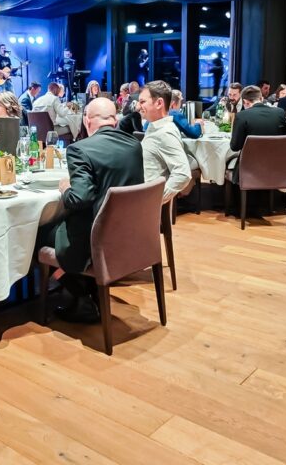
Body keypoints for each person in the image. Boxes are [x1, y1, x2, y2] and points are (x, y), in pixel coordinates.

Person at [36, 97, 143, 323]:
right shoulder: (134, 146)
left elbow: (79, 199)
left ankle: (80, 292)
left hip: (93, 239)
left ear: (87, 120)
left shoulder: (79, 149)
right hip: (128, 234)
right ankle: (87, 286)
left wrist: (65, 188)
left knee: (36, 234)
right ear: (115, 121)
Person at [137, 81, 191, 204]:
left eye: (142, 102)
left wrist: (155, 201)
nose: (139, 106)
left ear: (159, 103)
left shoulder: (165, 133)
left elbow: (183, 174)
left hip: (146, 204)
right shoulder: (155, 127)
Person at [229, 85, 286, 158]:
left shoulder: (241, 116)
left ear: (245, 101)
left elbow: (235, 147)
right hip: (277, 161)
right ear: (261, 99)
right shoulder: (279, 113)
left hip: (250, 163)